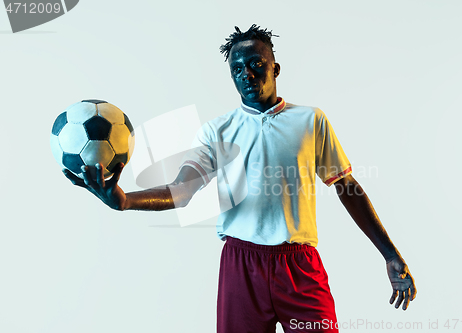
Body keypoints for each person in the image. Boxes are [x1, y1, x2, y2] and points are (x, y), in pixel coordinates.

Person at [64, 24, 416, 333]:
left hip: (299, 265)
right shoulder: (216, 131)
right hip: (241, 265)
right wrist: (124, 201)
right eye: (236, 69)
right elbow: (182, 190)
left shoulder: (311, 121)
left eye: (255, 65)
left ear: (275, 68)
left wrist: (390, 254)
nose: (246, 74)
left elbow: (347, 187)